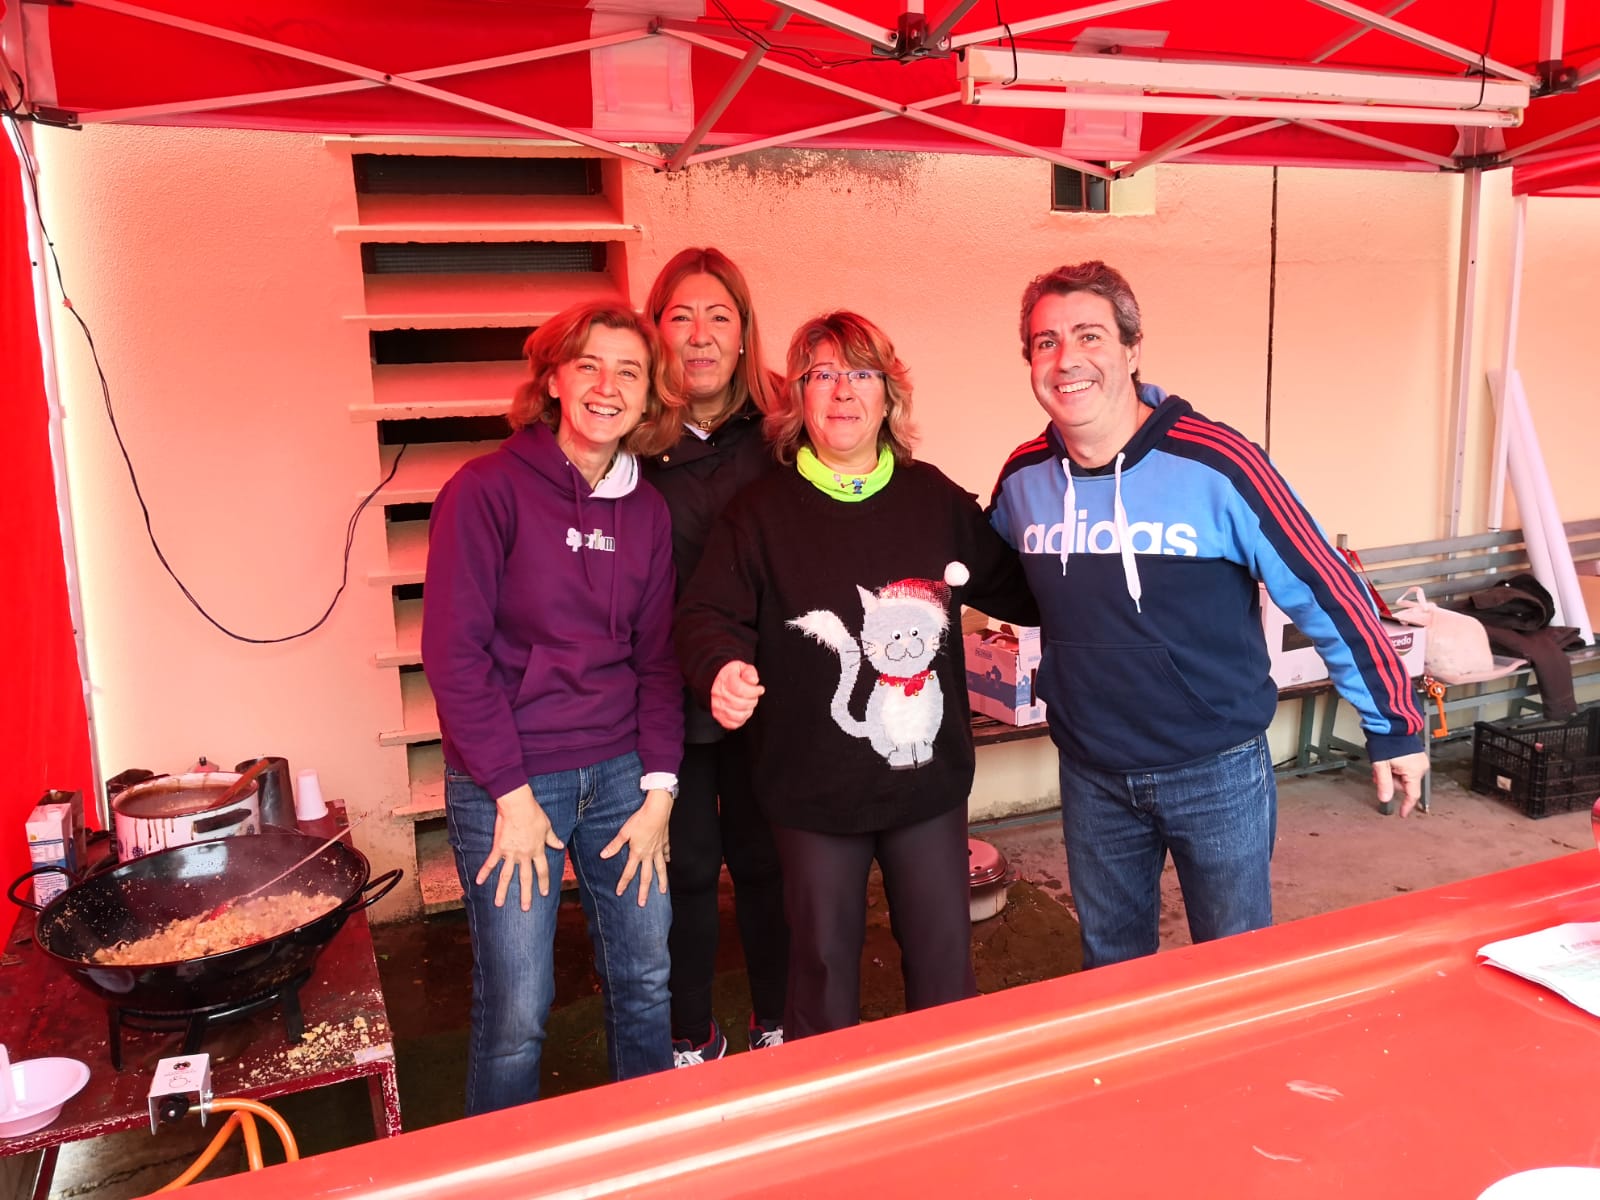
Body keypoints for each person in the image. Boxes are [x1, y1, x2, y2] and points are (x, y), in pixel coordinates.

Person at [986, 261, 1430, 971]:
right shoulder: (1024, 478)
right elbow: (1005, 581)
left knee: (1233, 967)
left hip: (1215, 769)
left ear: (1132, 348)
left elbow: (1323, 587)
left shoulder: (1219, 464)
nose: (1067, 359)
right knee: (1111, 967)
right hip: (1092, 769)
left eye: (1090, 335)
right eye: (1046, 342)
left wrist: (1394, 722)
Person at [676, 312, 1037, 1039]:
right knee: (821, 975)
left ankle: (943, 1094)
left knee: (943, 973)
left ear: (889, 394)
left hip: (924, 783)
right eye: (823, 375)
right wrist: (722, 667)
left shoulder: (934, 499)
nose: (844, 391)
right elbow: (706, 614)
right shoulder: (759, 513)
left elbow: (1024, 589)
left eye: (862, 374)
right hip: (811, 791)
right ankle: (829, 1097)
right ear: (799, 396)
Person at [421, 300, 684, 1116]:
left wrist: (660, 793)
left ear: (649, 396)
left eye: (629, 372)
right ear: (554, 381)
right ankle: (502, 1167)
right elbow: (454, 658)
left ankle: (647, 1150)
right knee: (517, 1008)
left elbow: (658, 662)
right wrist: (510, 796)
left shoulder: (647, 512)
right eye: (589, 366)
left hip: (621, 776)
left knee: (646, 980)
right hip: (511, 781)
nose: (608, 387)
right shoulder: (484, 491)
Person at [641, 248, 791, 1066]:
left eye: (718, 316)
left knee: (769, 860)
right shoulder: (632, 438)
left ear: (743, 333)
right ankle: (690, 1033)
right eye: (681, 317)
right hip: (669, 691)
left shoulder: (783, 428)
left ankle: (779, 1018)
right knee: (689, 864)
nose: (699, 336)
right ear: (656, 331)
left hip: (769, 689)